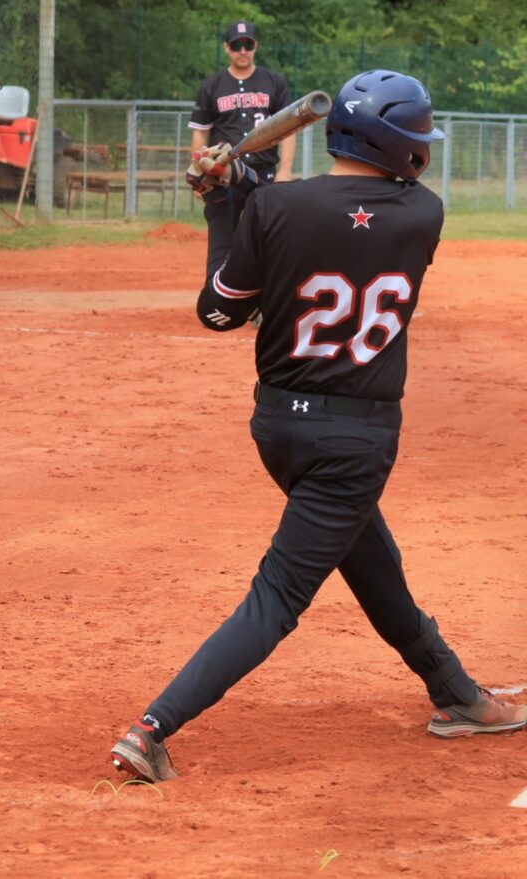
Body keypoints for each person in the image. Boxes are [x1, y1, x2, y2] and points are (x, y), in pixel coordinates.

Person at [110, 70, 527, 785]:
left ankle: (456, 692)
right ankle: (152, 727)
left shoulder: (275, 206)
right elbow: (331, 225)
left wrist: (223, 204)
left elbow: (220, 310)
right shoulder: (423, 214)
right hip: (355, 442)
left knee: (372, 563)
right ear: (398, 147)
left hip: (280, 428)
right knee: (279, 595)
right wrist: (239, 193)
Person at [189, 20, 295, 280]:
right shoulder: (212, 85)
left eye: (248, 44)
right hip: (225, 175)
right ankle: (224, 291)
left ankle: (266, 294)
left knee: (270, 236)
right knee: (227, 238)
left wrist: (285, 170)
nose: (243, 51)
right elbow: (200, 132)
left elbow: (287, 131)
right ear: (227, 48)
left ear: (255, 46)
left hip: (264, 173)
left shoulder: (274, 82)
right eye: (237, 46)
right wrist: (201, 176)